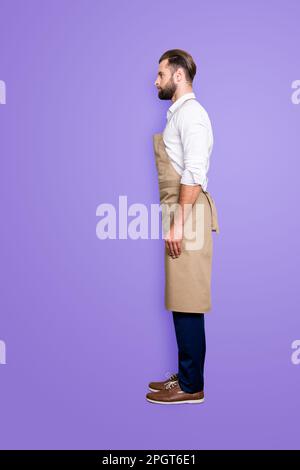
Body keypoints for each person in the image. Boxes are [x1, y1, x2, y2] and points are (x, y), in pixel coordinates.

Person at [146, 49, 220, 405]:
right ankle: (186, 374)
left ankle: (192, 387)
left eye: (160, 74)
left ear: (178, 75)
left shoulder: (192, 115)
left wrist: (178, 224)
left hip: (187, 216)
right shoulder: (178, 115)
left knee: (188, 300)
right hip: (182, 214)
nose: (155, 81)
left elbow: (194, 173)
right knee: (180, 299)